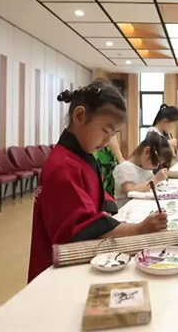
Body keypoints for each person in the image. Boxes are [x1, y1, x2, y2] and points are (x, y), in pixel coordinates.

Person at [28, 80, 168, 282]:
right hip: (56, 267)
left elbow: (97, 198)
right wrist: (138, 229)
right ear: (79, 116)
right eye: (105, 131)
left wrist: (117, 220)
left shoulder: (81, 156)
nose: (107, 141)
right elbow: (81, 229)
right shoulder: (63, 166)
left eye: (113, 134)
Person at [113, 133, 172, 206]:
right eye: (156, 163)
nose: (156, 167)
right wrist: (156, 179)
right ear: (147, 151)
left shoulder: (147, 170)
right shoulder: (124, 168)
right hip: (126, 210)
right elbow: (130, 191)